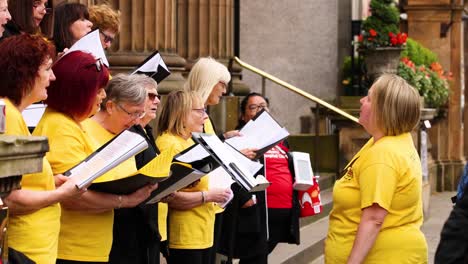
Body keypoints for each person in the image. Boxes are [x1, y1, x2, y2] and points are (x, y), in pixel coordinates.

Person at [33, 51, 156, 263]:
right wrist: (124, 200)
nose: (101, 96)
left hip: (89, 245)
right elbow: (72, 195)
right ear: (79, 91)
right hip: (71, 246)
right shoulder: (61, 125)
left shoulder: (71, 122)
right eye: (98, 90)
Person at [324, 74, 428, 263]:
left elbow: (373, 218)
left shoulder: (383, 154)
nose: (362, 100)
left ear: (383, 111)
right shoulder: (391, 142)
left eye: (369, 98)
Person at [0, 34, 84, 263]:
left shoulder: (13, 114)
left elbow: (22, 181)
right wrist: (61, 194)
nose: (53, 76)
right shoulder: (8, 116)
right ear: (25, 72)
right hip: (24, 251)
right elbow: (9, 199)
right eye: (48, 68)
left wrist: (51, 181)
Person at [88, 74, 165, 264]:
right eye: (132, 113)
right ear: (111, 106)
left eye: (139, 114)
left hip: (132, 229)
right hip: (97, 237)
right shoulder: (84, 131)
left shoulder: (128, 134)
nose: (135, 121)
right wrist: (125, 199)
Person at [218, 93, 300, 263]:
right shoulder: (240, 138)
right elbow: (229, 169)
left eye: (263, 106)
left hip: (283, 208)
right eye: (253, 107)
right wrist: (243, 197)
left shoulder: (280, 139)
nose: (260, 110)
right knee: (255, 258)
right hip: (259, 209)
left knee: (260, 257)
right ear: (243, 115)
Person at [156, 90, 232, 264]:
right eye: (200, 111)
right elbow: (168, 195)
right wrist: (209, 196)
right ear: (182, 114)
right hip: (184, 235)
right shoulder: (169, 143)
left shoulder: (192, 141)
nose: (205, 117)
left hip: (204, 229)